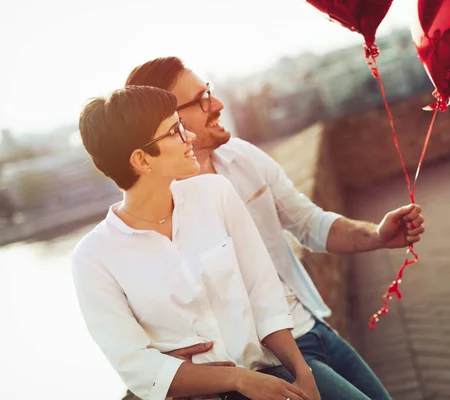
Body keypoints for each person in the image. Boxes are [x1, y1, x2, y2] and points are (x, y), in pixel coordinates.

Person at [125, 57, 425, 400]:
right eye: (201, 100)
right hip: (267, 364)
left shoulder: (241, 156)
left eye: (209, 92)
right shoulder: (160, 211)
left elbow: (308, 222)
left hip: (313, 328)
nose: (218, 104)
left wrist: (377, 235)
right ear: (168, 121)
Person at [72, 85, 320, 400]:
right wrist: (238, 380)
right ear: (142, 160)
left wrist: (303, 373)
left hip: (271, 374)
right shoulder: (94, 258)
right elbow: (136, 367)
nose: (189, 136)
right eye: (175, 131)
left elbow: (264, 294)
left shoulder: (216, 193)